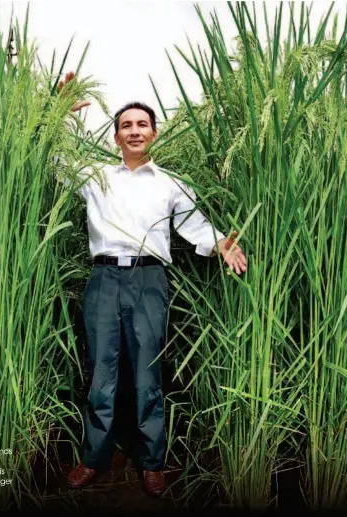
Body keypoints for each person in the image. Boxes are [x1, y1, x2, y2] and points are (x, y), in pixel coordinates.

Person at [56, 71, 247, 497]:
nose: (135, 130)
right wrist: (60, 111)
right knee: (100, 373)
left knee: (148, 374)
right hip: (103, 277)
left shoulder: (171, 183)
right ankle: (93, 459)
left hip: (149, 279)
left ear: (154, 134)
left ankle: (151, 462)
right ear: (116, 136)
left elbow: (197, 228)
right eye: (126, 125)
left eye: (142, 124)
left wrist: (222, 244)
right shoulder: (95, 176)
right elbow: (56, 160)